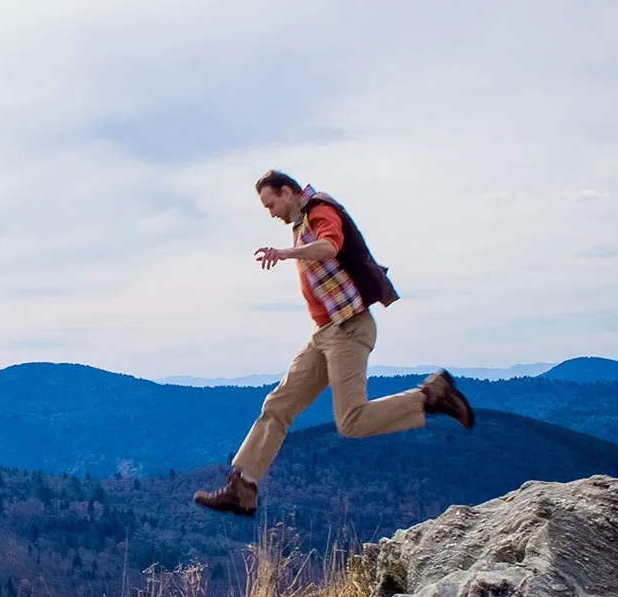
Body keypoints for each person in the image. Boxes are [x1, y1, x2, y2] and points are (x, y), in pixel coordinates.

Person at [194, 170, 474, 517]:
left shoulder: (320, 209)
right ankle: (243, 488)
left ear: (287, 192)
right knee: (278, 405)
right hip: (324, 332)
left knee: (351, 420)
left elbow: (330, 247)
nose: (271, 214)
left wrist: (284, 254)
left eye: (271, 204)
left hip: (349, 328)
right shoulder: (300, 224)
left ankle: (431, 396)